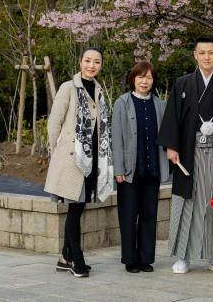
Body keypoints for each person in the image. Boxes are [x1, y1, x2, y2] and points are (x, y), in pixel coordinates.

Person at [156, 35, 213, 274]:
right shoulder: (182, 84)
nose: (206, 57)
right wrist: (172, 146)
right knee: (187, 202)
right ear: (195, 55)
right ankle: (183, 256)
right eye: (202, 53)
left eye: (211, 52)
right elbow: (172, 116)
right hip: (188, 155)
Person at [45, 47, 114, 278]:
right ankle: (77, 259)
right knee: (75, 208)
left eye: (96, 62)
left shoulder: (99, 89)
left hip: (93, 157)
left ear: (100, 65)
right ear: (80, 62)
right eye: (87, 61)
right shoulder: (68, 87)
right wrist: (56, 151)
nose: (91, 65)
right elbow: (55, 121)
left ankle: (65, 257)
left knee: (79, 206)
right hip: (73, 157)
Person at [111, 61, 168, 273]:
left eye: (149, 77)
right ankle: (129, 259)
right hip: (129, 169)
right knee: (128, 214)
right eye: (140, 77)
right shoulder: (122, 103)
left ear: (153, 81)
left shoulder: (160, 104)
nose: (144, 81)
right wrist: (118, 168)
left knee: (149, 214)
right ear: (133, 78)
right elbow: (116, 137)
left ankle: (146, 259)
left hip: (152, 167)